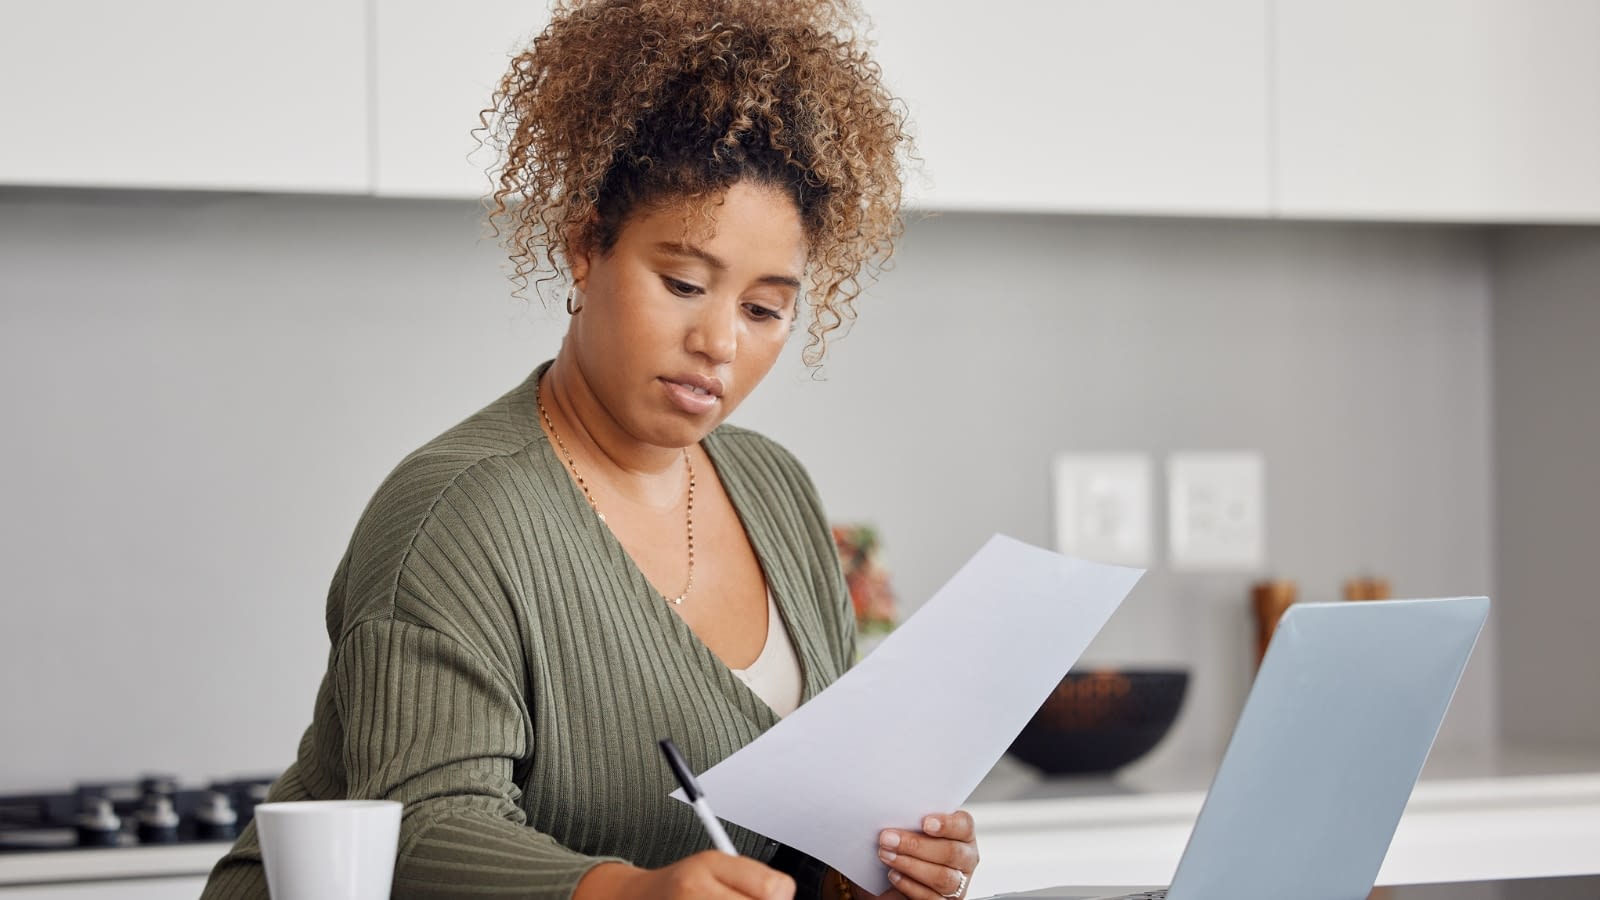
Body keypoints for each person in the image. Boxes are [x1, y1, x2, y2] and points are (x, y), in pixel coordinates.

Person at [202, 0, 981, 897]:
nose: (721, 342)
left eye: (765, 309)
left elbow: (793, 835)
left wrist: (877, 867)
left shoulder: (776, 489)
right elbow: (422, 832)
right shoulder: (458, 514)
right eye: (685, 282)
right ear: (585, 249)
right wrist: (634, 894)